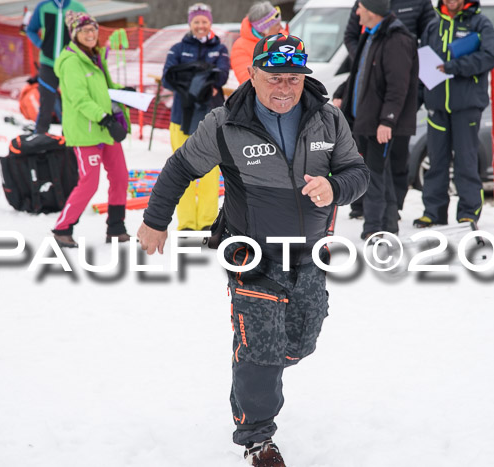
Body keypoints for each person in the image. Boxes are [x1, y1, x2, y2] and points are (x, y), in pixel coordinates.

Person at [137, 34, 369, 467]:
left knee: (299, 343)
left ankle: (253, 356)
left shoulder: (327, 120)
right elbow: (179, 168)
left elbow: (358, 173)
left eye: (294, 79)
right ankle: (258, 439)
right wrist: (155, 220)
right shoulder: (224, 123)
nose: (284, 88)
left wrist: (335, 186)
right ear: (252, 74)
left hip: (310, 253)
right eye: (274, 78)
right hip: (251, 253)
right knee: (262, 349)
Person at [336, 0, 434, 220]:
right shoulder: (369, 34)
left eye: (361, 9)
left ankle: (383, 221)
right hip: (368, 111)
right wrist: (343, 91)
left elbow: (398, 83)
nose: (357, 11)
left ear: (373, 11)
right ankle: (377, 219)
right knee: (372, 169)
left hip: (390, 109)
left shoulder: (398, 36)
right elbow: (355, 60)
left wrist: (388, 119)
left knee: (388, 167)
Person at [51, 11, 133, 247]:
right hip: (86, 131)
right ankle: (62, 227)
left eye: (93, 29)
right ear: (75, 34)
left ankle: (116, 228)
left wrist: (123, 90)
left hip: (106, 128)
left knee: (120, 177)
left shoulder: (95, 56)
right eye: (85, 30)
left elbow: (105, 88)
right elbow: (79, 98)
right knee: (90, 182)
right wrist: (106, 119)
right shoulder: (71, 61)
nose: (91, 34)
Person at [414, 0, 494, 227]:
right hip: (437, 107)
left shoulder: (480, 23)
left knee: (466, 162)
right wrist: (417, 100)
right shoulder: (433, 25)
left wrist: (454, 66)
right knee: (436, 162)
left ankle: (468, 214)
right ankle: (433, 212)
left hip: (466, 107)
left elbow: (490, 57)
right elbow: (424, 66)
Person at [162, 3, 230, 231]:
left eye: (204, 22)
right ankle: (187, 224)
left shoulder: (219, 48)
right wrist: (201, 77)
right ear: (190, 24)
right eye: (197, 22)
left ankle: (207, 223)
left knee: (210, 173)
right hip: (182, 117)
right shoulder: (178, 48)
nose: (201, 26)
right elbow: (167, 78)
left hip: (211, 119)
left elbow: (221, 76)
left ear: (210, 23)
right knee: (182, 171)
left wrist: (191, 74)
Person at [26, 0, 87, 134]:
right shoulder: (43, 7)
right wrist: (42, 45)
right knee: (46, 104)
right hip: (48, 64)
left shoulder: (77, 8)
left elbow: (86, 33)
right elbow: (30, 30)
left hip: (70, 65)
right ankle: (40, 138)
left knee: (71, 104)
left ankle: (68, 141)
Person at [231, 2, 284, 84]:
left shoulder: (284, 37)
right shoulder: (241, 47)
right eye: (277, 25)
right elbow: (248, 80)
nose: (281, 27)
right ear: (264, 30)